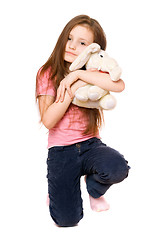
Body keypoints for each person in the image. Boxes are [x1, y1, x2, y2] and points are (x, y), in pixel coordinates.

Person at [36, 15, 130, 227]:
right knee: (67, 220)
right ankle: (57, 192)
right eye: (69, 38)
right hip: (61, 152)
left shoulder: (93, 71)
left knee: (117, 168)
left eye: (82, 43)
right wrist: (74, 87)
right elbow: (49, 120)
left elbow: (119, 85)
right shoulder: (47, 73)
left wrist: (78, 76)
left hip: (90, 145)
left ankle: (93, 188)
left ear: (93, 49)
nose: (71, 46)